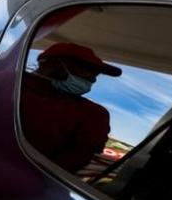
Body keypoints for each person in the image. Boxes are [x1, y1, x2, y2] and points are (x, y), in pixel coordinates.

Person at [21, 42, 119, 173]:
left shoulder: (94, 115)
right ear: (49, 64)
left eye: (96, 74)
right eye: (86, 68)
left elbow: (67, 165)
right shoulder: (3, 82)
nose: (93, 79)